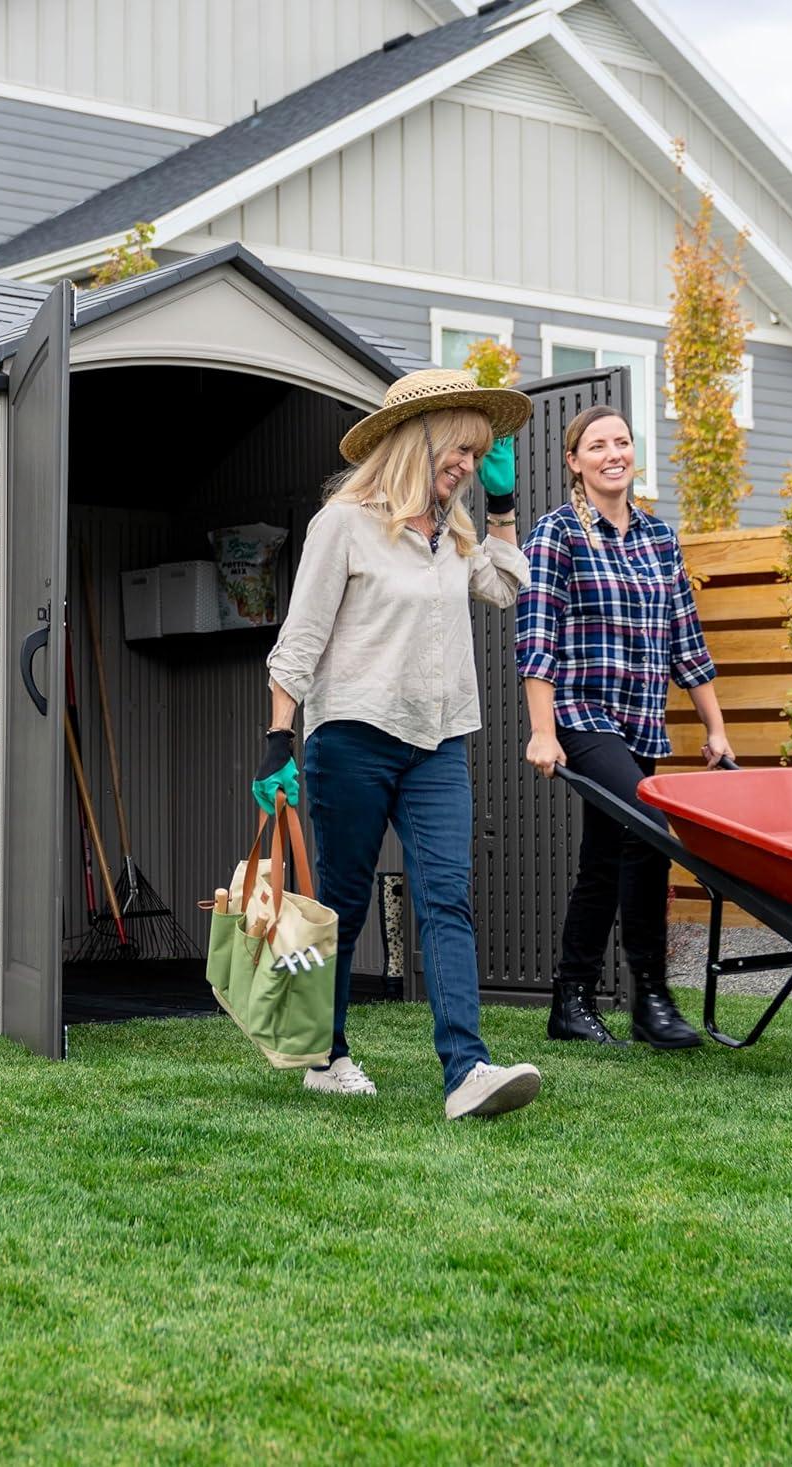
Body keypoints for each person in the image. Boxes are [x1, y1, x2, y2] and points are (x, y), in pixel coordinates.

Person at [255, 368, 542, 1120]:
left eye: (479, 458)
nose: (468, 468)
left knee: (447, 896)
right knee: (344, 904)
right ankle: (325, 1052)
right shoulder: (344, 524)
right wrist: (276, 740)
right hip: (352, 736)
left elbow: (509, 589)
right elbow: (300, 641)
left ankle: (467, 1070)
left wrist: (505, 506)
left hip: (438, 740)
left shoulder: (456, 535)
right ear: (417, 441)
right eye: (460, 450)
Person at [516, 403, 733, 1047]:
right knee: (649, 831)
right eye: (598, 445)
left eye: (623, 442)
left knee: (607, 857)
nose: (614, 453)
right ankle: (654, 995)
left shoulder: (659, 538)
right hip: (582, 716)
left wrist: (716, 729)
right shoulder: (555, 535)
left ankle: (574, 1000)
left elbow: (687, 642)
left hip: (641, 721)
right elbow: (537, 641)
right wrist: (543, 730)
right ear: (574, 461)